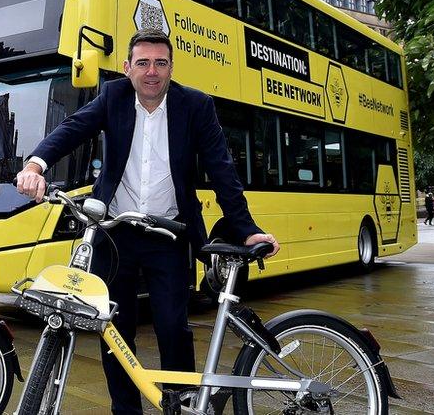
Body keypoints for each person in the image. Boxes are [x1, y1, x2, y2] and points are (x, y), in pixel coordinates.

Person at [16, 28, 279, 414]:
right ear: (127, 68)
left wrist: (246, 228)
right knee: (112, 332)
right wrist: (36, 165)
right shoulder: (113, 96)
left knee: (173, 328)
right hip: (115, 234)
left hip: (168, 233)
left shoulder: (195, 106)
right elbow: (72, 129)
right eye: (143, 63)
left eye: (160, 63)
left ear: (171, 68)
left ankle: (183, 405)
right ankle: (126, 410)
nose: (151, 71)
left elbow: (223, 171)